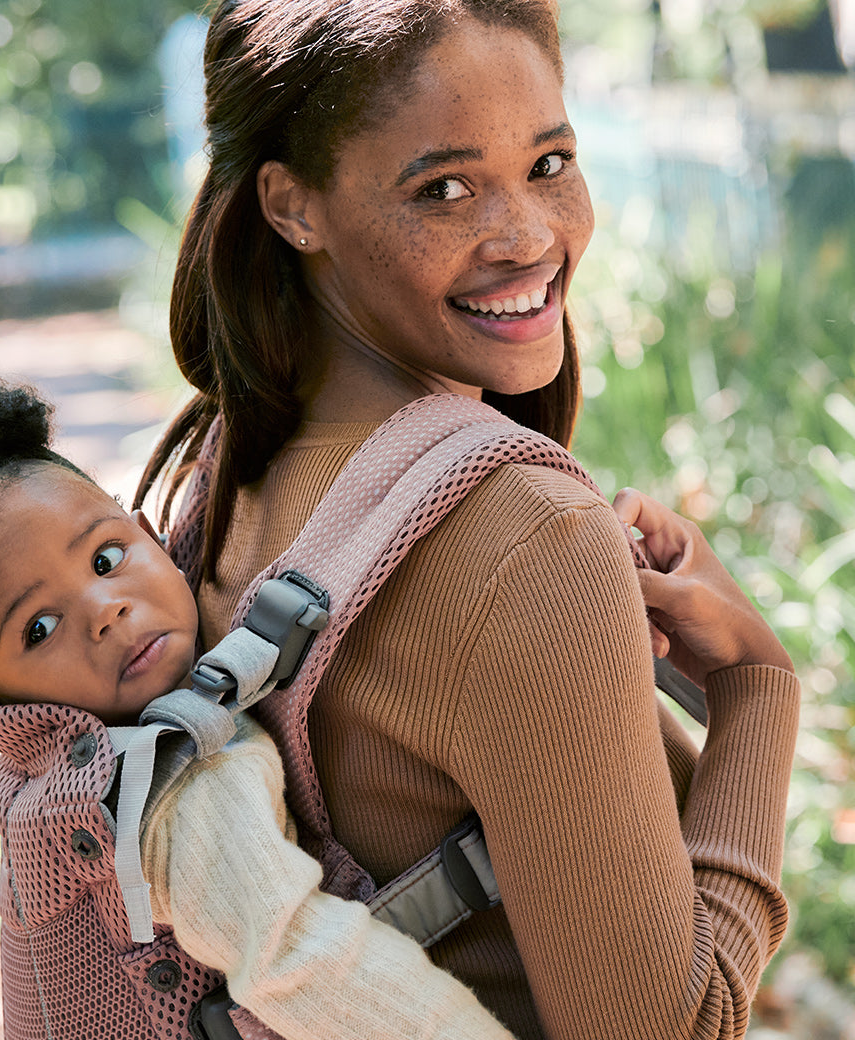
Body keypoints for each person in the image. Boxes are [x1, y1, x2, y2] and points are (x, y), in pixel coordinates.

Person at [133, 1, 802, 1038]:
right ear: (290, 204)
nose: (529, 236)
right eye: (442, 189)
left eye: (547, 163)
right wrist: (756, 689)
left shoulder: (217, 475)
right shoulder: (522, 538)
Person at [0, 382, 521, 1040]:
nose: (106, 610)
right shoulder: (176, 789)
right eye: (38, 629)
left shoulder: (54, 782)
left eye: (105, 558)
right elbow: (305, 964)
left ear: (150, 532)